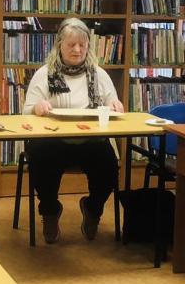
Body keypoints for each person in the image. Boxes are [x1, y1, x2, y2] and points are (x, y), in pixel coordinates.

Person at [23, 17, 125, 243]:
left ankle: (92, 209)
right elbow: (26, 111)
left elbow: (113, 104)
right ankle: (50, 212)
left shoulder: (99, 74)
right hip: (53, 142)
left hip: (91, 142)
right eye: (71, 44)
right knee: (40, 158)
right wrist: (37, 108)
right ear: (59, 44)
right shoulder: (45, 73)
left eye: (82, 45)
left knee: (109, 166)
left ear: (88, 46)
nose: (77, 50)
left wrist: (115, 105)